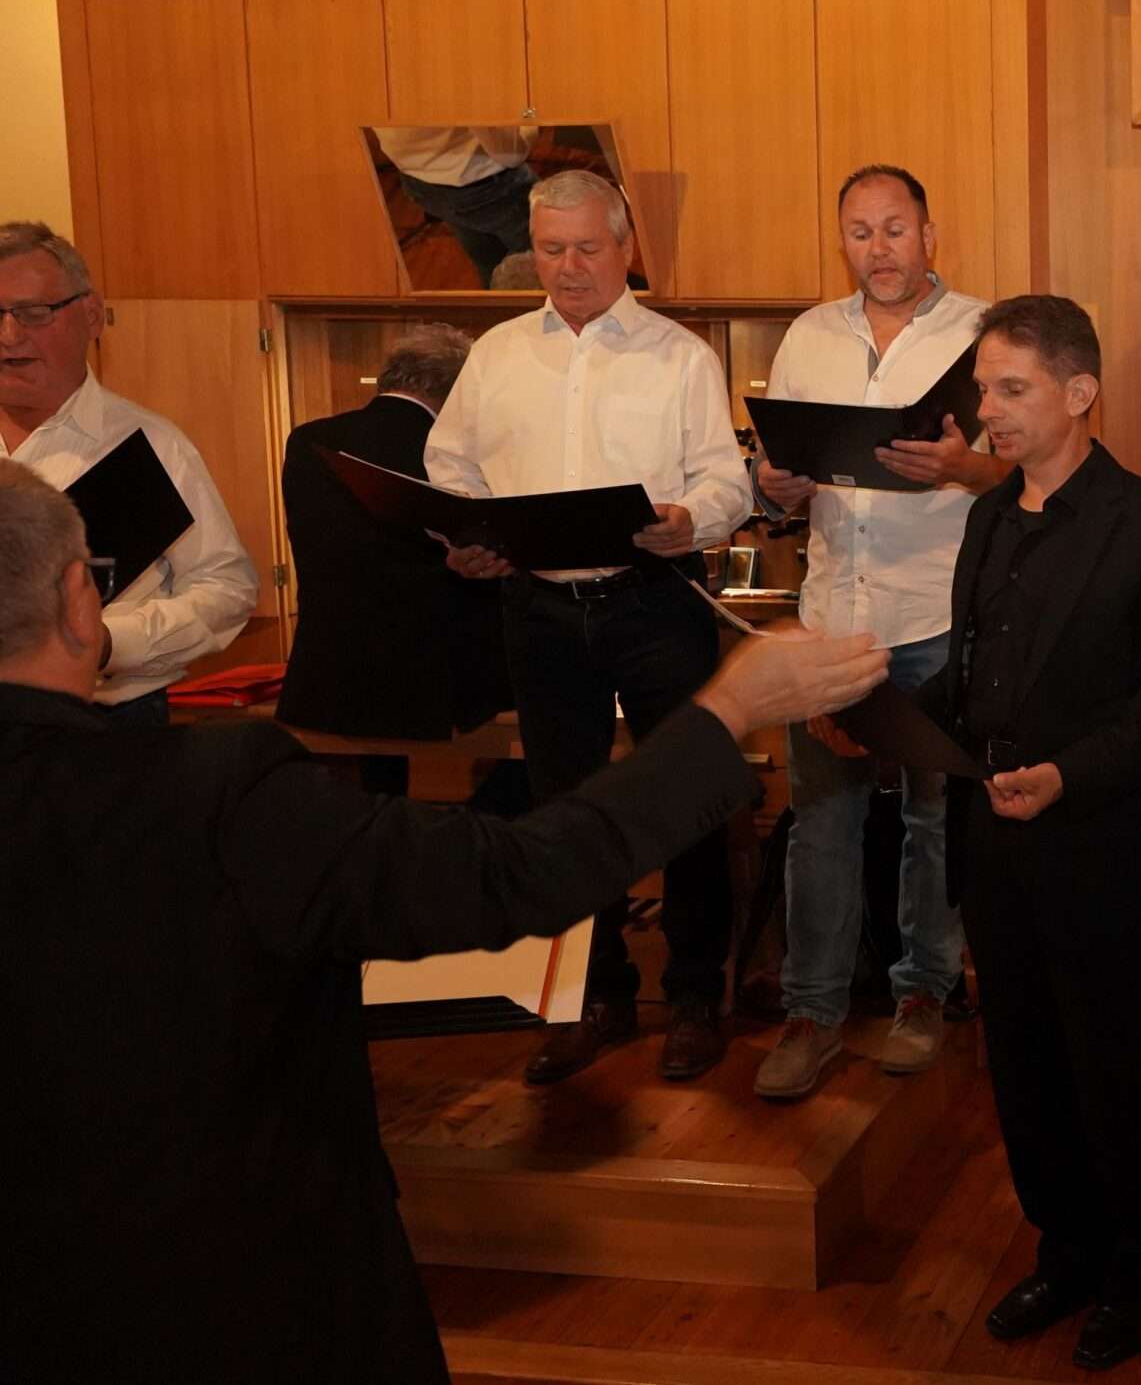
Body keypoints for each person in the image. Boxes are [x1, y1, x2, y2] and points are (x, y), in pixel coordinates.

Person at [0, 458, 888, 1385]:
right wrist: (729, 707)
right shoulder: (213, 792)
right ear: (80, 603)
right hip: (244, 1292)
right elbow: (515, 873)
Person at [919, 294, 1141, 1373]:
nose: (986, 413)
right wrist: (881, 717)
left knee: (1111, 1075)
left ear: (1079, 392)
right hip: (993, 844)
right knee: (1023, 1069)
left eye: (1011, 389)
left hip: (1096, 845)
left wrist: (1067, 776)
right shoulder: (987, 518)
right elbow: (973, 682)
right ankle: (1066, 1252)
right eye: (983, 390)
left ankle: (1139, 1277)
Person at [425, 170, 754, 1086]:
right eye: (550, 249)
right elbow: (449, 468)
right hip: (536, 607)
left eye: (586, 247)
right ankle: (593, 998)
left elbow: (725, 480)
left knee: (687, 797)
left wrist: (691, 518)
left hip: (653, 599)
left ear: (625, 248)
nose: (568, 266)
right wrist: (465, 540)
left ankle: (694, 997)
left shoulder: (680, 355)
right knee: (562, 811)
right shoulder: (494, 355)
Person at [751, 166, 1010, 1100]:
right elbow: (779, 476)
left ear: (930, 234)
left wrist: (963, 467)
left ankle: (925, 994)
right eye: (860, 232)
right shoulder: (809, 336)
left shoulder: (984, 335)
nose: (879, 248)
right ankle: (812, 1013)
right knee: (821, 822)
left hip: (935, 615)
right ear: (844, 244)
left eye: (895, 228)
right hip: (833, 616)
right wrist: (773, 486)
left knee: (936, 822)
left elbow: (1032, 475)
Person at [0, 220, 256, 724]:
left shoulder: (151, 446)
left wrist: (109, 641)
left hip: (107, 724)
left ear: (92, 315)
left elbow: (226, 588)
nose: (8, 336)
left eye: (33, 313)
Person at [278, 324, 513, 793]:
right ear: (458, 392)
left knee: (366, 808)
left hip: (331, 668)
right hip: (442, 673)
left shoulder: (308, 440)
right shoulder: (452, 451)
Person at [373, 125, 538, 285]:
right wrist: (531, 119)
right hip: (485, 186)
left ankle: (500, 297)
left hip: (419, 180)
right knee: (541, 252)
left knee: (487, 257)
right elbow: (512, 154)